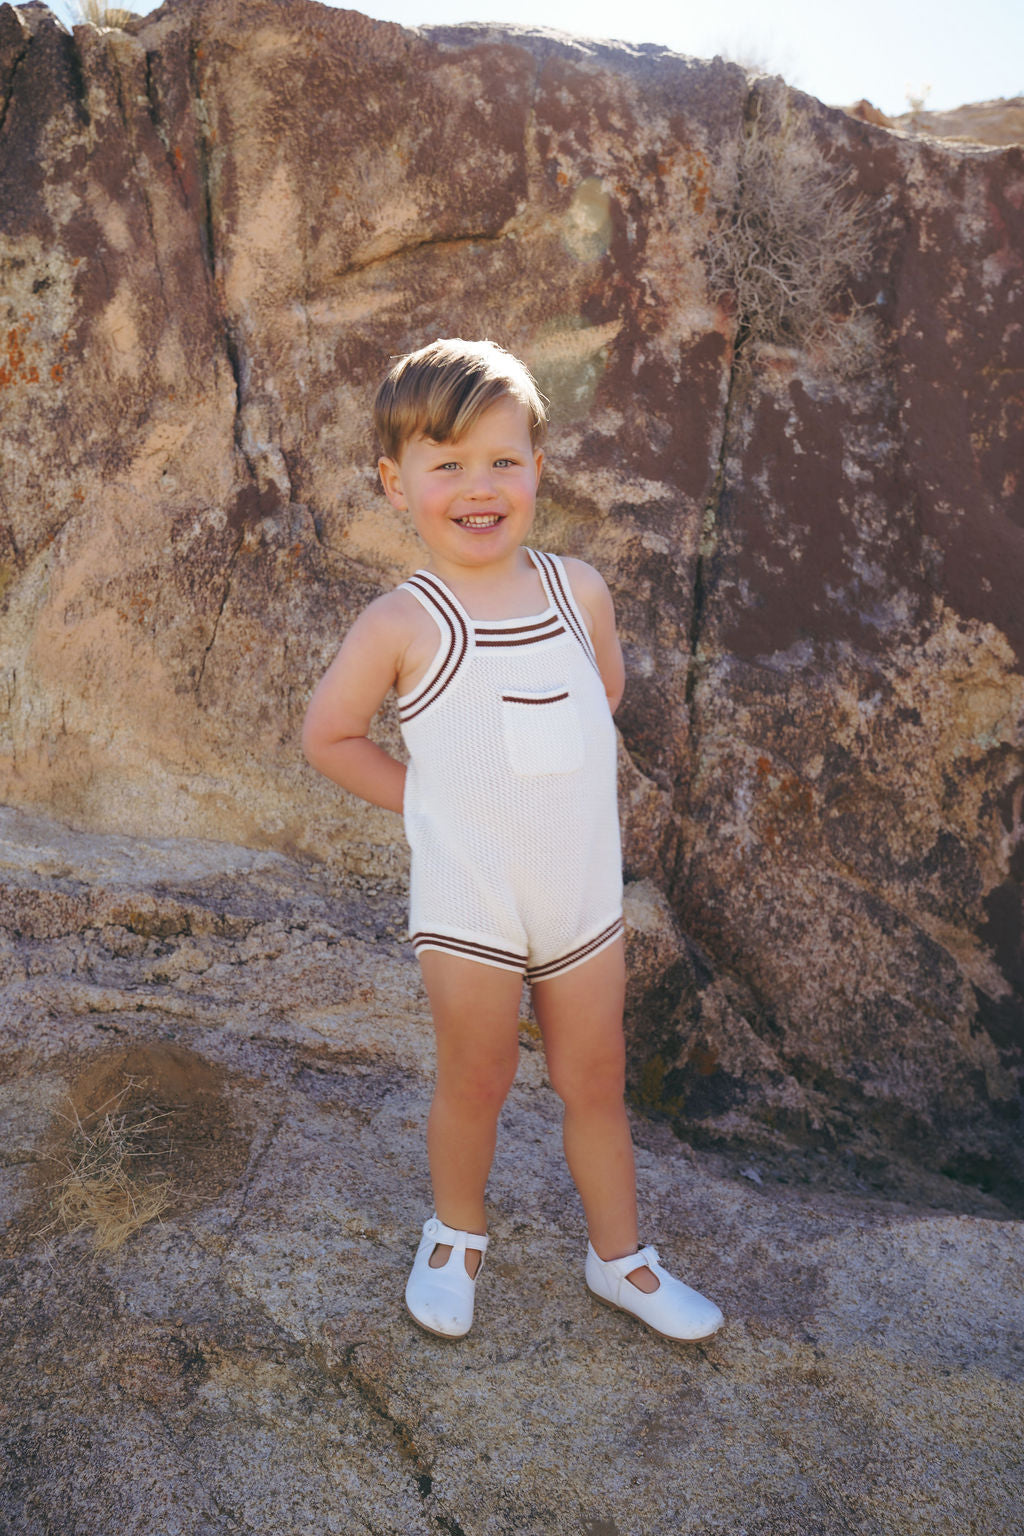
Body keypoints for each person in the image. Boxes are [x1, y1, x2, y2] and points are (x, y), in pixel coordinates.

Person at [302, 338, 723, 1343]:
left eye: (502, 460)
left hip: (578, 895)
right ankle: (455, 1236)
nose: (479, 487)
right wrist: (434, 803)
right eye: (447, 465)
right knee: (478, 1073)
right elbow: (329, 737)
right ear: (395, 484)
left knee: (595, 1079)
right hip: (471, 898)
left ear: (538, 467)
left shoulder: (579, 591)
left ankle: (620, 1258)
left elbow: (598, 693)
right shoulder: (406, 621)